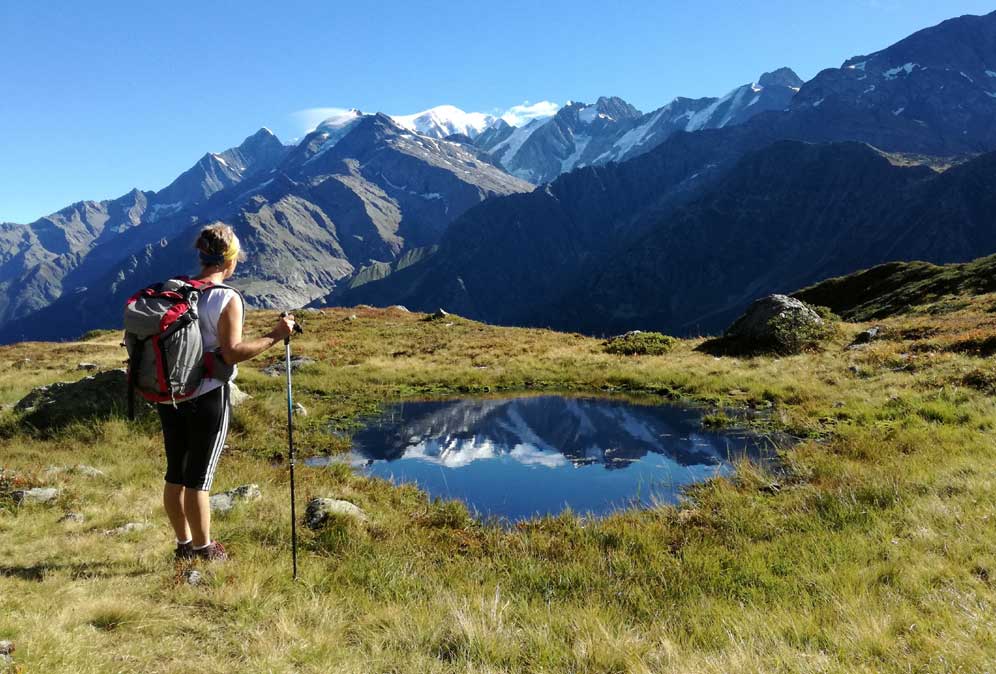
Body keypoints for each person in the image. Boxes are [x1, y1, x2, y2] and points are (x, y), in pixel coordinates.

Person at [159, 224, 295, 562]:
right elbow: (231, 352)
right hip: (207, 394)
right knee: (199, 478)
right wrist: (276, 335)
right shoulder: (226, 297)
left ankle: (183, 544)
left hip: (170, 393)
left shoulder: (176, 291)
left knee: (176, 472)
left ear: (201, 255)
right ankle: (204, 550)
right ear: (230, 259)